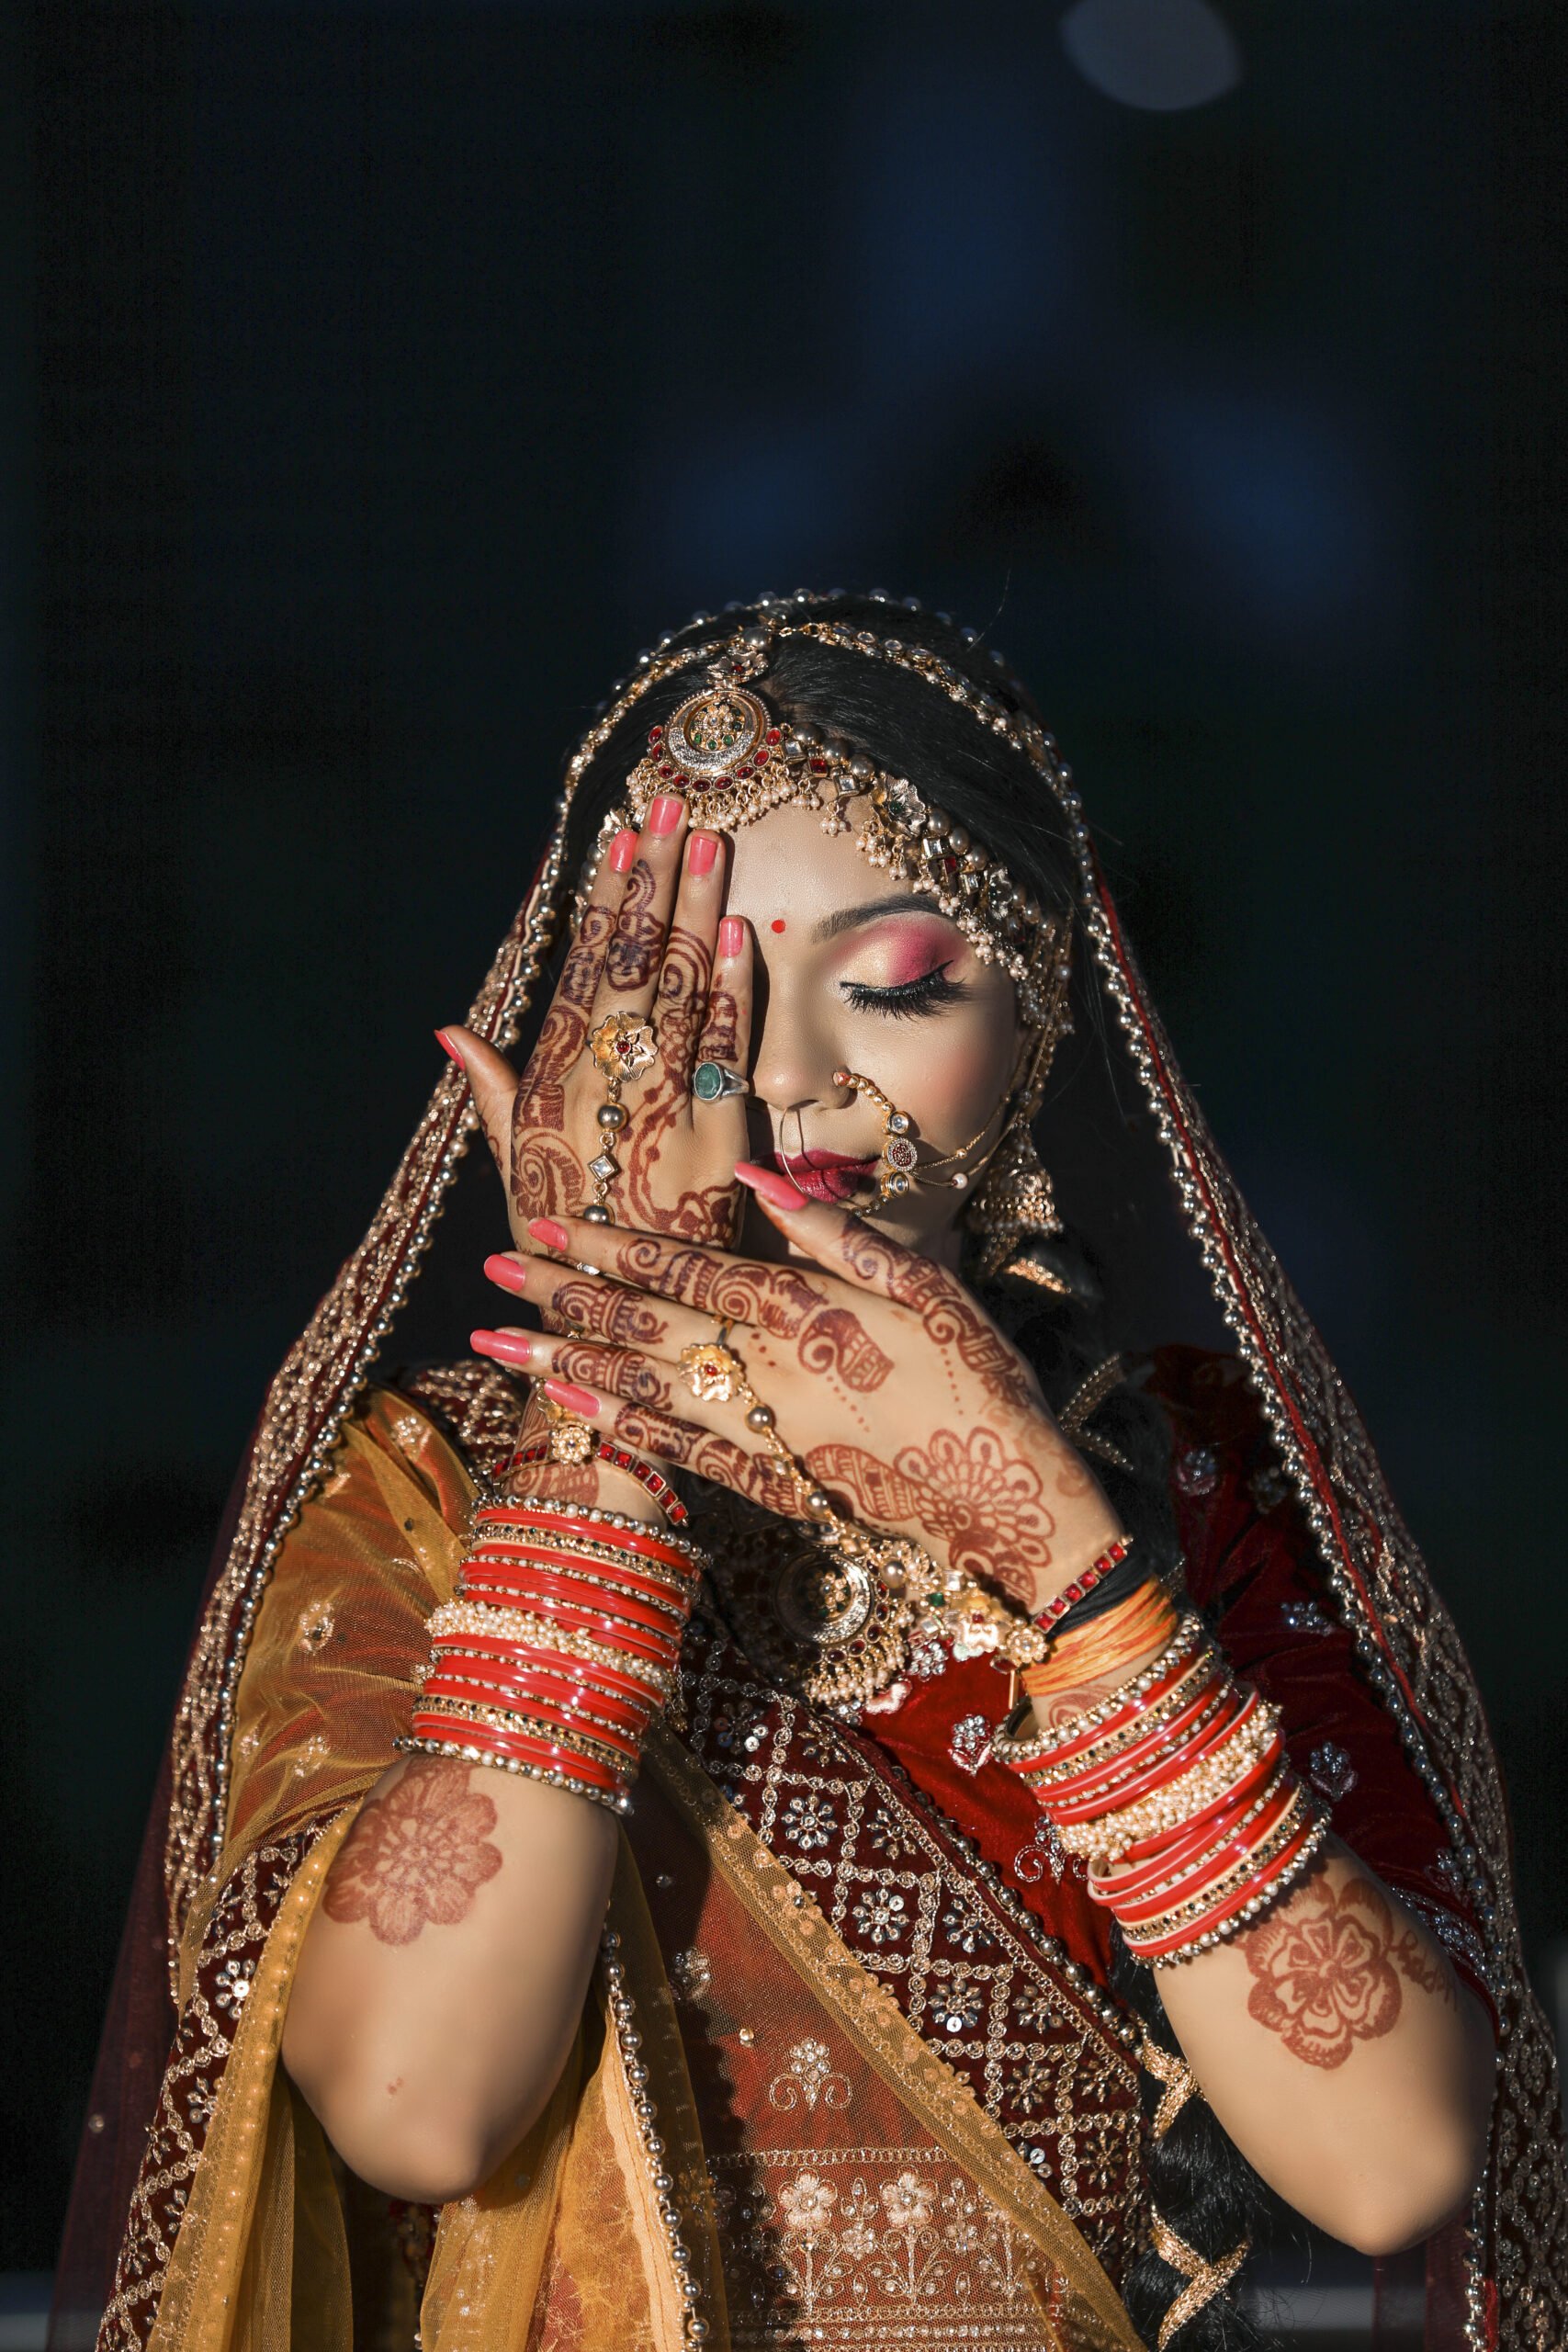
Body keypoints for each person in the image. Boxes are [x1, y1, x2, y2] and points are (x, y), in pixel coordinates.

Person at [55, 595, 1566, 2352]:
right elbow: (412, 2101)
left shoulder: (1183, 1484)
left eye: (892, 983)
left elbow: (1394, 2163)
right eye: (681, 998)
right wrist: (604, 1427)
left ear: (1042, 1016)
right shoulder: (430, 1500)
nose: (776, 1079)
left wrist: (1048, 1548)